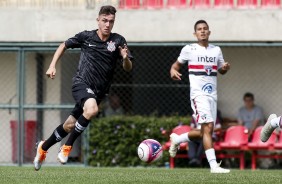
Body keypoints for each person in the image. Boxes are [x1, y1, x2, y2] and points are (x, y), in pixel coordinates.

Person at [33, 5, 133, 171]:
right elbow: (63, 45)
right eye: (104, 21)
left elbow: (128, 67)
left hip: (98, 92)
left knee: (69, 125)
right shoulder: (86, 36)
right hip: (82, 83)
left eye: (111, 21)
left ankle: (43, 147)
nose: (108, 24)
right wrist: (52, 65)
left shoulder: (118, 41)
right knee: (92, 109)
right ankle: (67, 147)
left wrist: (124, 58)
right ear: (98, 20)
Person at [169, 20, 230, 173]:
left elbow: (221, 70)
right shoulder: (189, 49)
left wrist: (224, 68)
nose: (202, 31)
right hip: (198, 95)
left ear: (209, 32)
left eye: (205, 29)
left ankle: (178, 139)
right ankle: (214, 166)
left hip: (212, 95)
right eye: (199, 29)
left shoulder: (216, 50)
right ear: (195, 34)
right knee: (209, 127)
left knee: (205, 132)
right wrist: (173, 71)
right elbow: (176, 65)